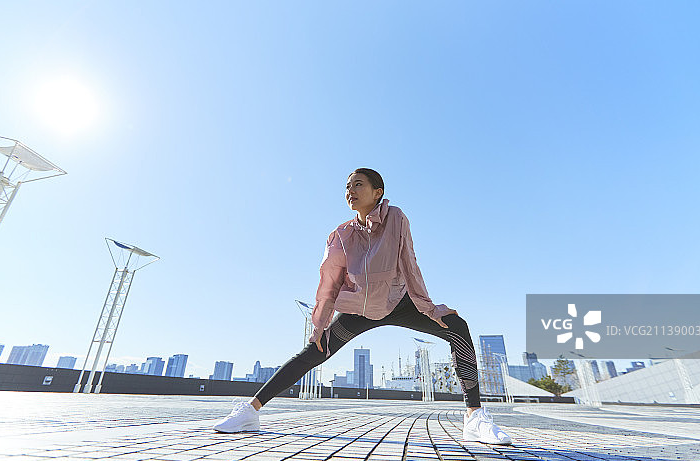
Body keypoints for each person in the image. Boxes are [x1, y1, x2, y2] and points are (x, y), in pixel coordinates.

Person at [213, 168, 512, 445]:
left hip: (399, 302)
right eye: (347, 187)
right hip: (359, 309)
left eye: (358, 185)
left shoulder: (395, 217)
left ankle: (474, 417)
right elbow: (330, 283)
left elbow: (409, 264)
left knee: (457, 328)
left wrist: (429, 308)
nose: (350, 191)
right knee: (314, 351)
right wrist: (319, 326)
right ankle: (250, 411)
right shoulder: (341, 235)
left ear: (377, 192)